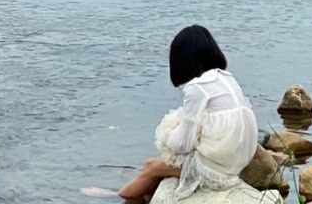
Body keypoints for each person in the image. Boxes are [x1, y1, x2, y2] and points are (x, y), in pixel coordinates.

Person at [118, 27, 279, 202]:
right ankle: (142, 197)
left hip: (215, 170)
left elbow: (183, 144)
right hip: (236, 164)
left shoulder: (197, 88)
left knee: (151, 167)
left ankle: (117, 197)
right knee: (160, 171)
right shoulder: (226, 78)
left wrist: (167, 136)